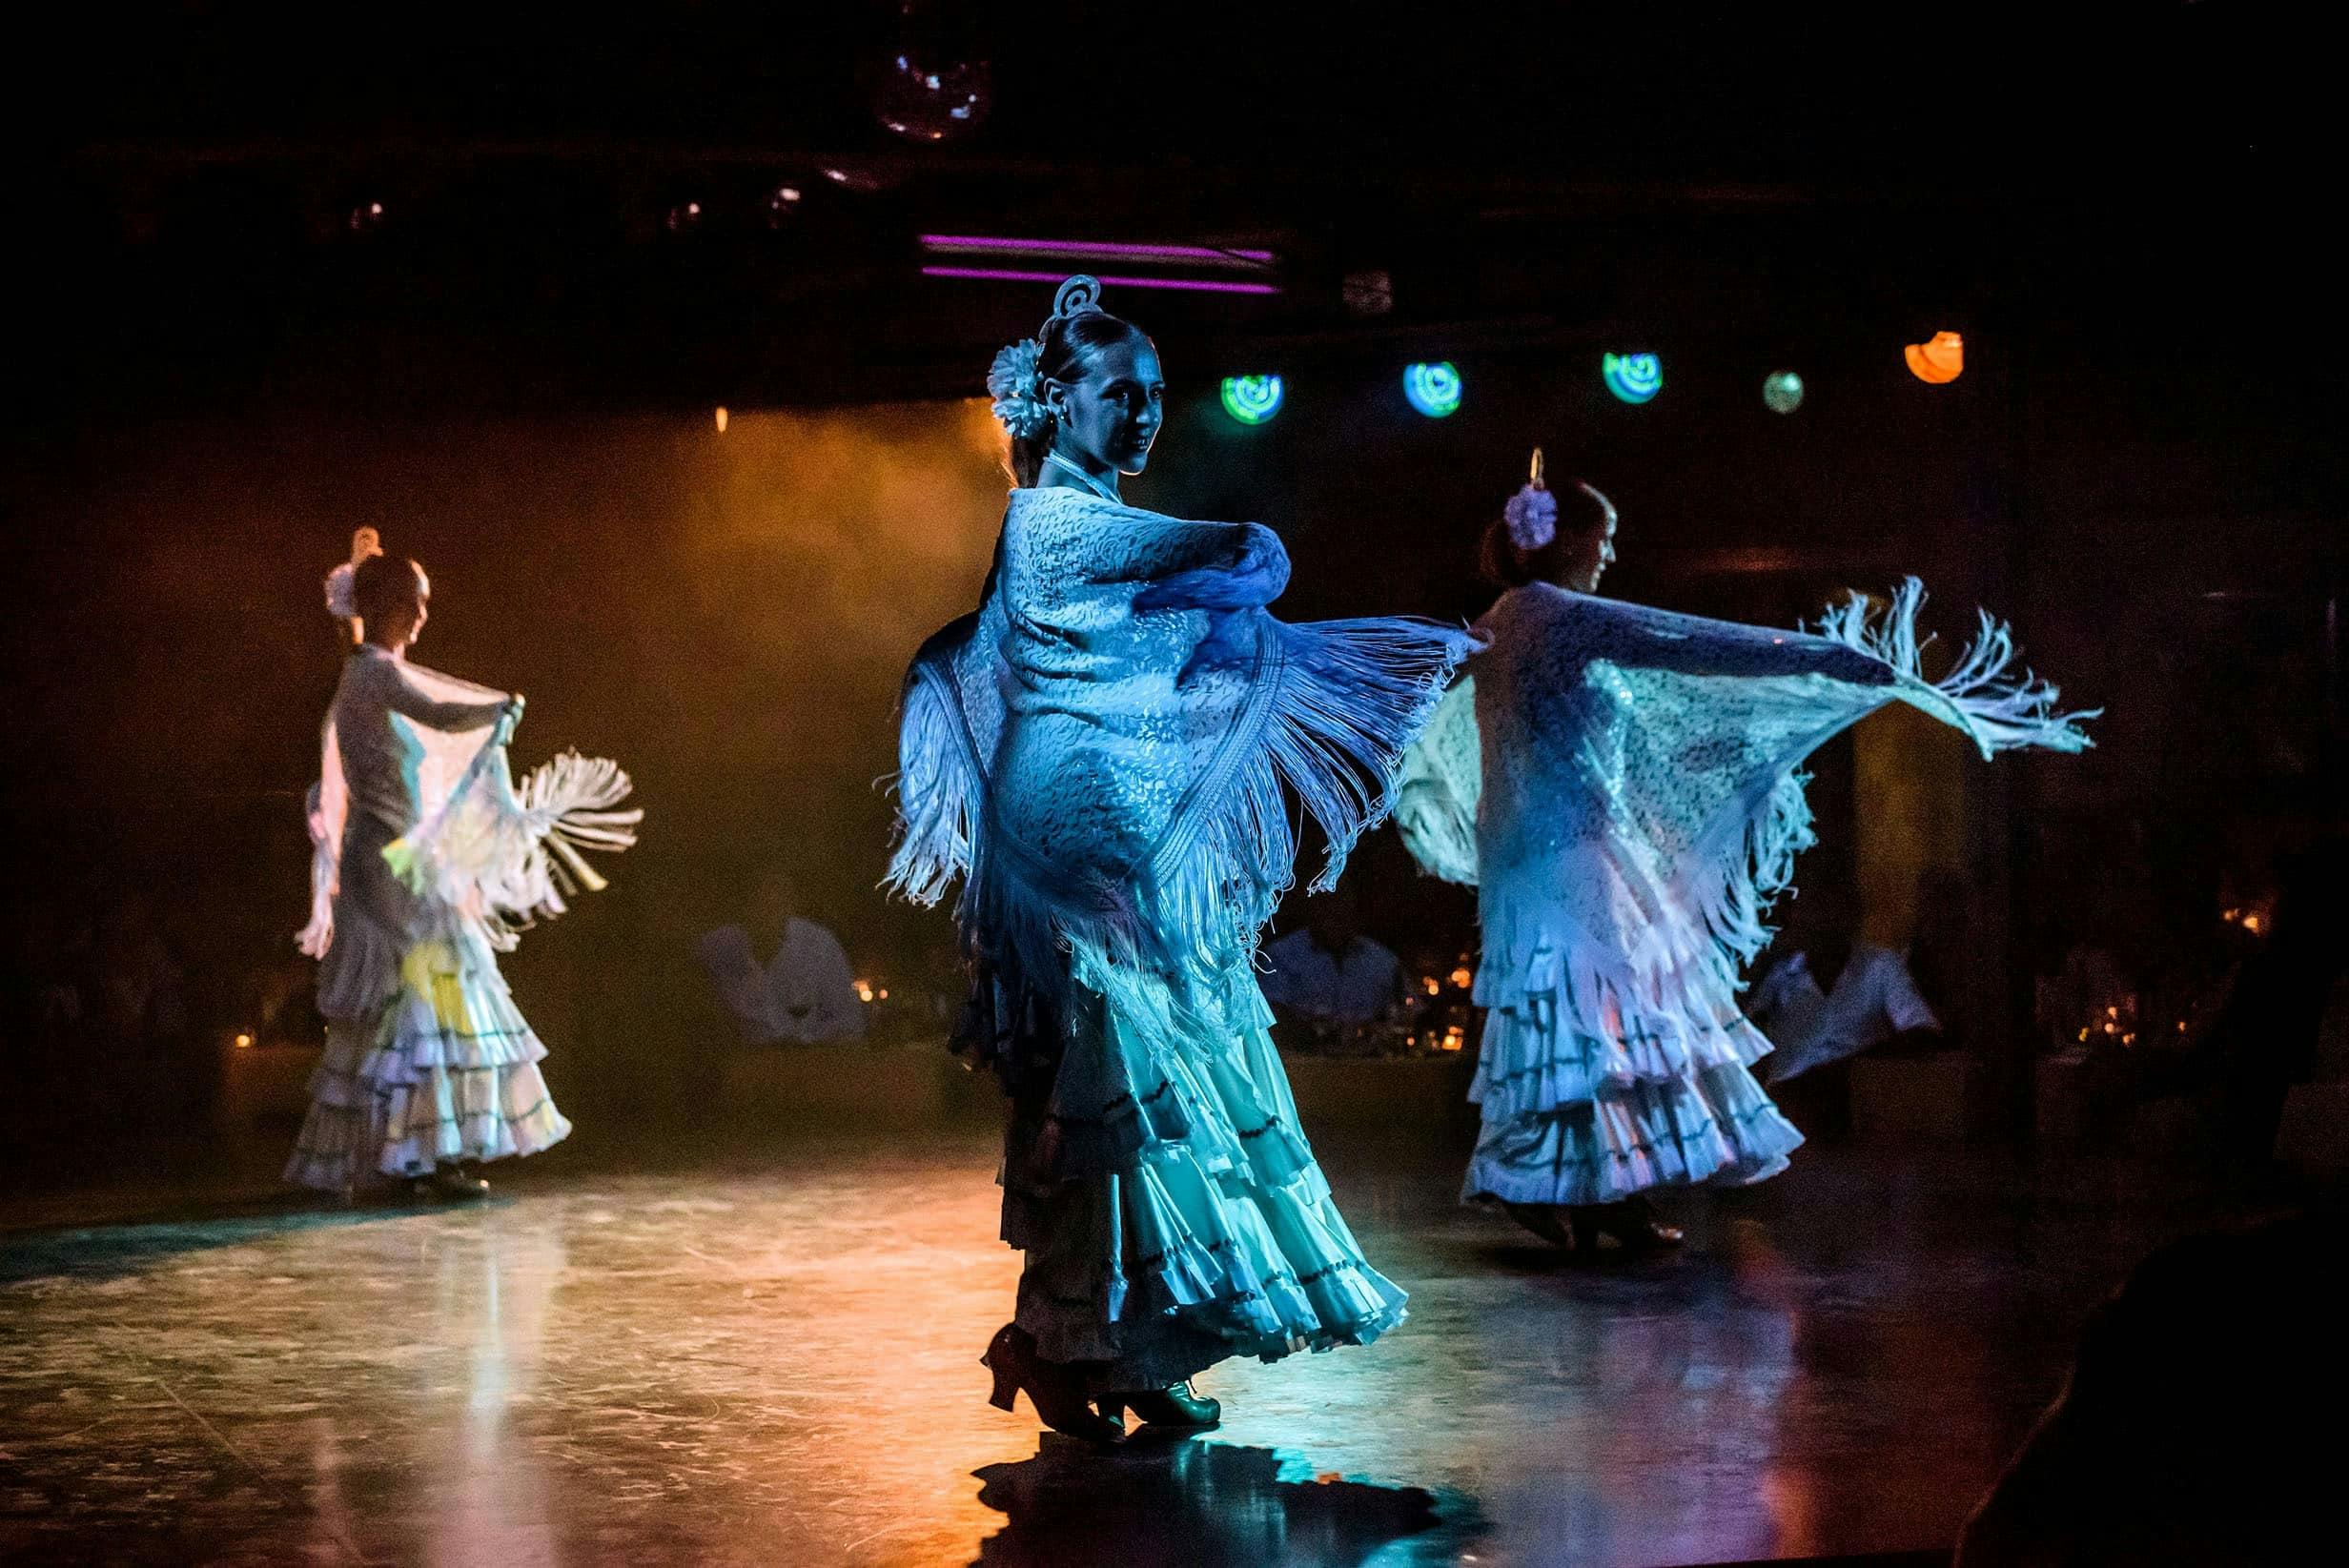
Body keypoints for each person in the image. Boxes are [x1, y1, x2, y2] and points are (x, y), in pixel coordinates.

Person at [889, 276, 1472, 1444]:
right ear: (1057, 404)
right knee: (1109, 1095)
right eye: (1120, 394)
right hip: (1074, 842)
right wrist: (1217, 582)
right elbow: (1255, 551)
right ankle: (1068, 1343)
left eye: (1158, 395)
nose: (1148, 414)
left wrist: (1209, 599)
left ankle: (1127, 1347)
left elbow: (1220, 593)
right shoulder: (1060, 521)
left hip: (1120, 831)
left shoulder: (1091, 530)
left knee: (1144, 1108)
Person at [1396, 458, 2093, 1255]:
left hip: (1532, 855)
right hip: (1570, 855)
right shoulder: (1561, 617)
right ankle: (1577, 1190)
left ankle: (1585, 1191)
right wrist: (1829, 661)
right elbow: (1697, 647)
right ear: (1572, 542)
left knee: (1577, 1027)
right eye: (1606, 540)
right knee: (1602, 1024)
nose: (1610, 556)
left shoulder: (1499, 620)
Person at [287, 553, 640, 1199]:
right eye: (415, 600)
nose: (423, 613)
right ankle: (419, 1152)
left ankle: (413, 1151)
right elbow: (442, 713)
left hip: (393, 854)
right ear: (390, 603)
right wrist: (499, 707)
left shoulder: (367, 675)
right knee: (434, 985)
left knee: (420, 991)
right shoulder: (371, 676)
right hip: (393, 859)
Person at [1745, 876, 1941, 1086]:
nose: (1819, 921)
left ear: (1851, 916)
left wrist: (1851, 1066)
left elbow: (1922, 1031)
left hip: (1856, 1095)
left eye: (1829, 910)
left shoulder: (1881, 965)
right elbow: (1747, 1037)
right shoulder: (1781, 973)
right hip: (1785, 1098)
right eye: (1809, 911)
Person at [695, 869, 867, 1045]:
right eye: (759, 904)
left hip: (810, 1061)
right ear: (743, 908)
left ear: (790, 906)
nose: (767, 915)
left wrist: (805, 1044)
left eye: (775, 905)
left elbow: (849, 1020)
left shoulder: (819, 947)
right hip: (742, 1062)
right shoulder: (717, 949)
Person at [1260, 882, 1407, 1034]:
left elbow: (1408, 1011)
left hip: (1371, 1053)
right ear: (1311, 907)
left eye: (1342, 903)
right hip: (1302, 1053)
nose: (1334, 911)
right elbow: (1270, 1016)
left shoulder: (1383, 960)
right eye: (1326, 904)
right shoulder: (1280, 955)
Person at [323, 526, 384, 649]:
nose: (366, 543)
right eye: (362, 540)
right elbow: (335, 608)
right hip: (351, 637)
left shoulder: (385, 577)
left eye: (370, 540)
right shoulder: (341, 575)